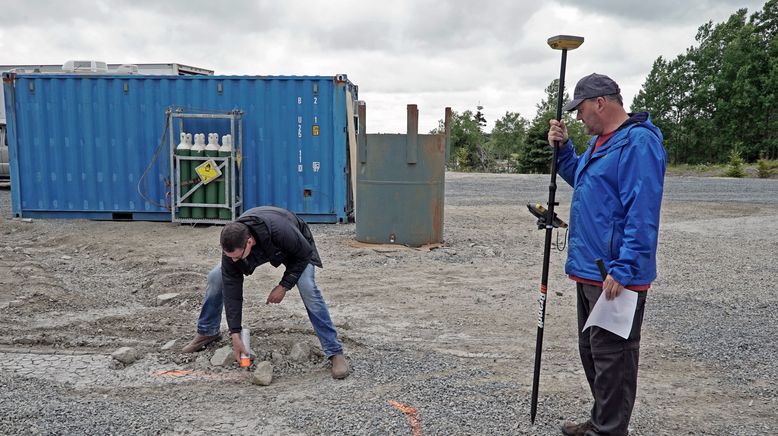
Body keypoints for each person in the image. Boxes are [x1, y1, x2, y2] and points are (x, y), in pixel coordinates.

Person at [547, 73, 666, 436]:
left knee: (614, 358)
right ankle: (603, 420)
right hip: (589, 270)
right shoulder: (602, 142)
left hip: (615, 274)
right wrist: (565, 149)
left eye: (581, 110)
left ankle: (609, 430)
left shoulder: (637, 144)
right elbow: (583, 180)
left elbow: (642, 211)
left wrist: (626, 267)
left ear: (601, 102)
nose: (579, 118)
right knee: (593, 352)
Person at [182, 206, 350, 380]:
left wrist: (284, 285)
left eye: (237, 257)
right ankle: (207, 331)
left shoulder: (283, 232)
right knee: (216, 277)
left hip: (296, 249)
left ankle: (334, 351)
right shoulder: (233, 248)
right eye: (230, 256)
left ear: (249, 242)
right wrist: (235, 333)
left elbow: (304, 254)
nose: (233, 261)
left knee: (307, 287)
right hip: (264, 243)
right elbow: (232, 291)